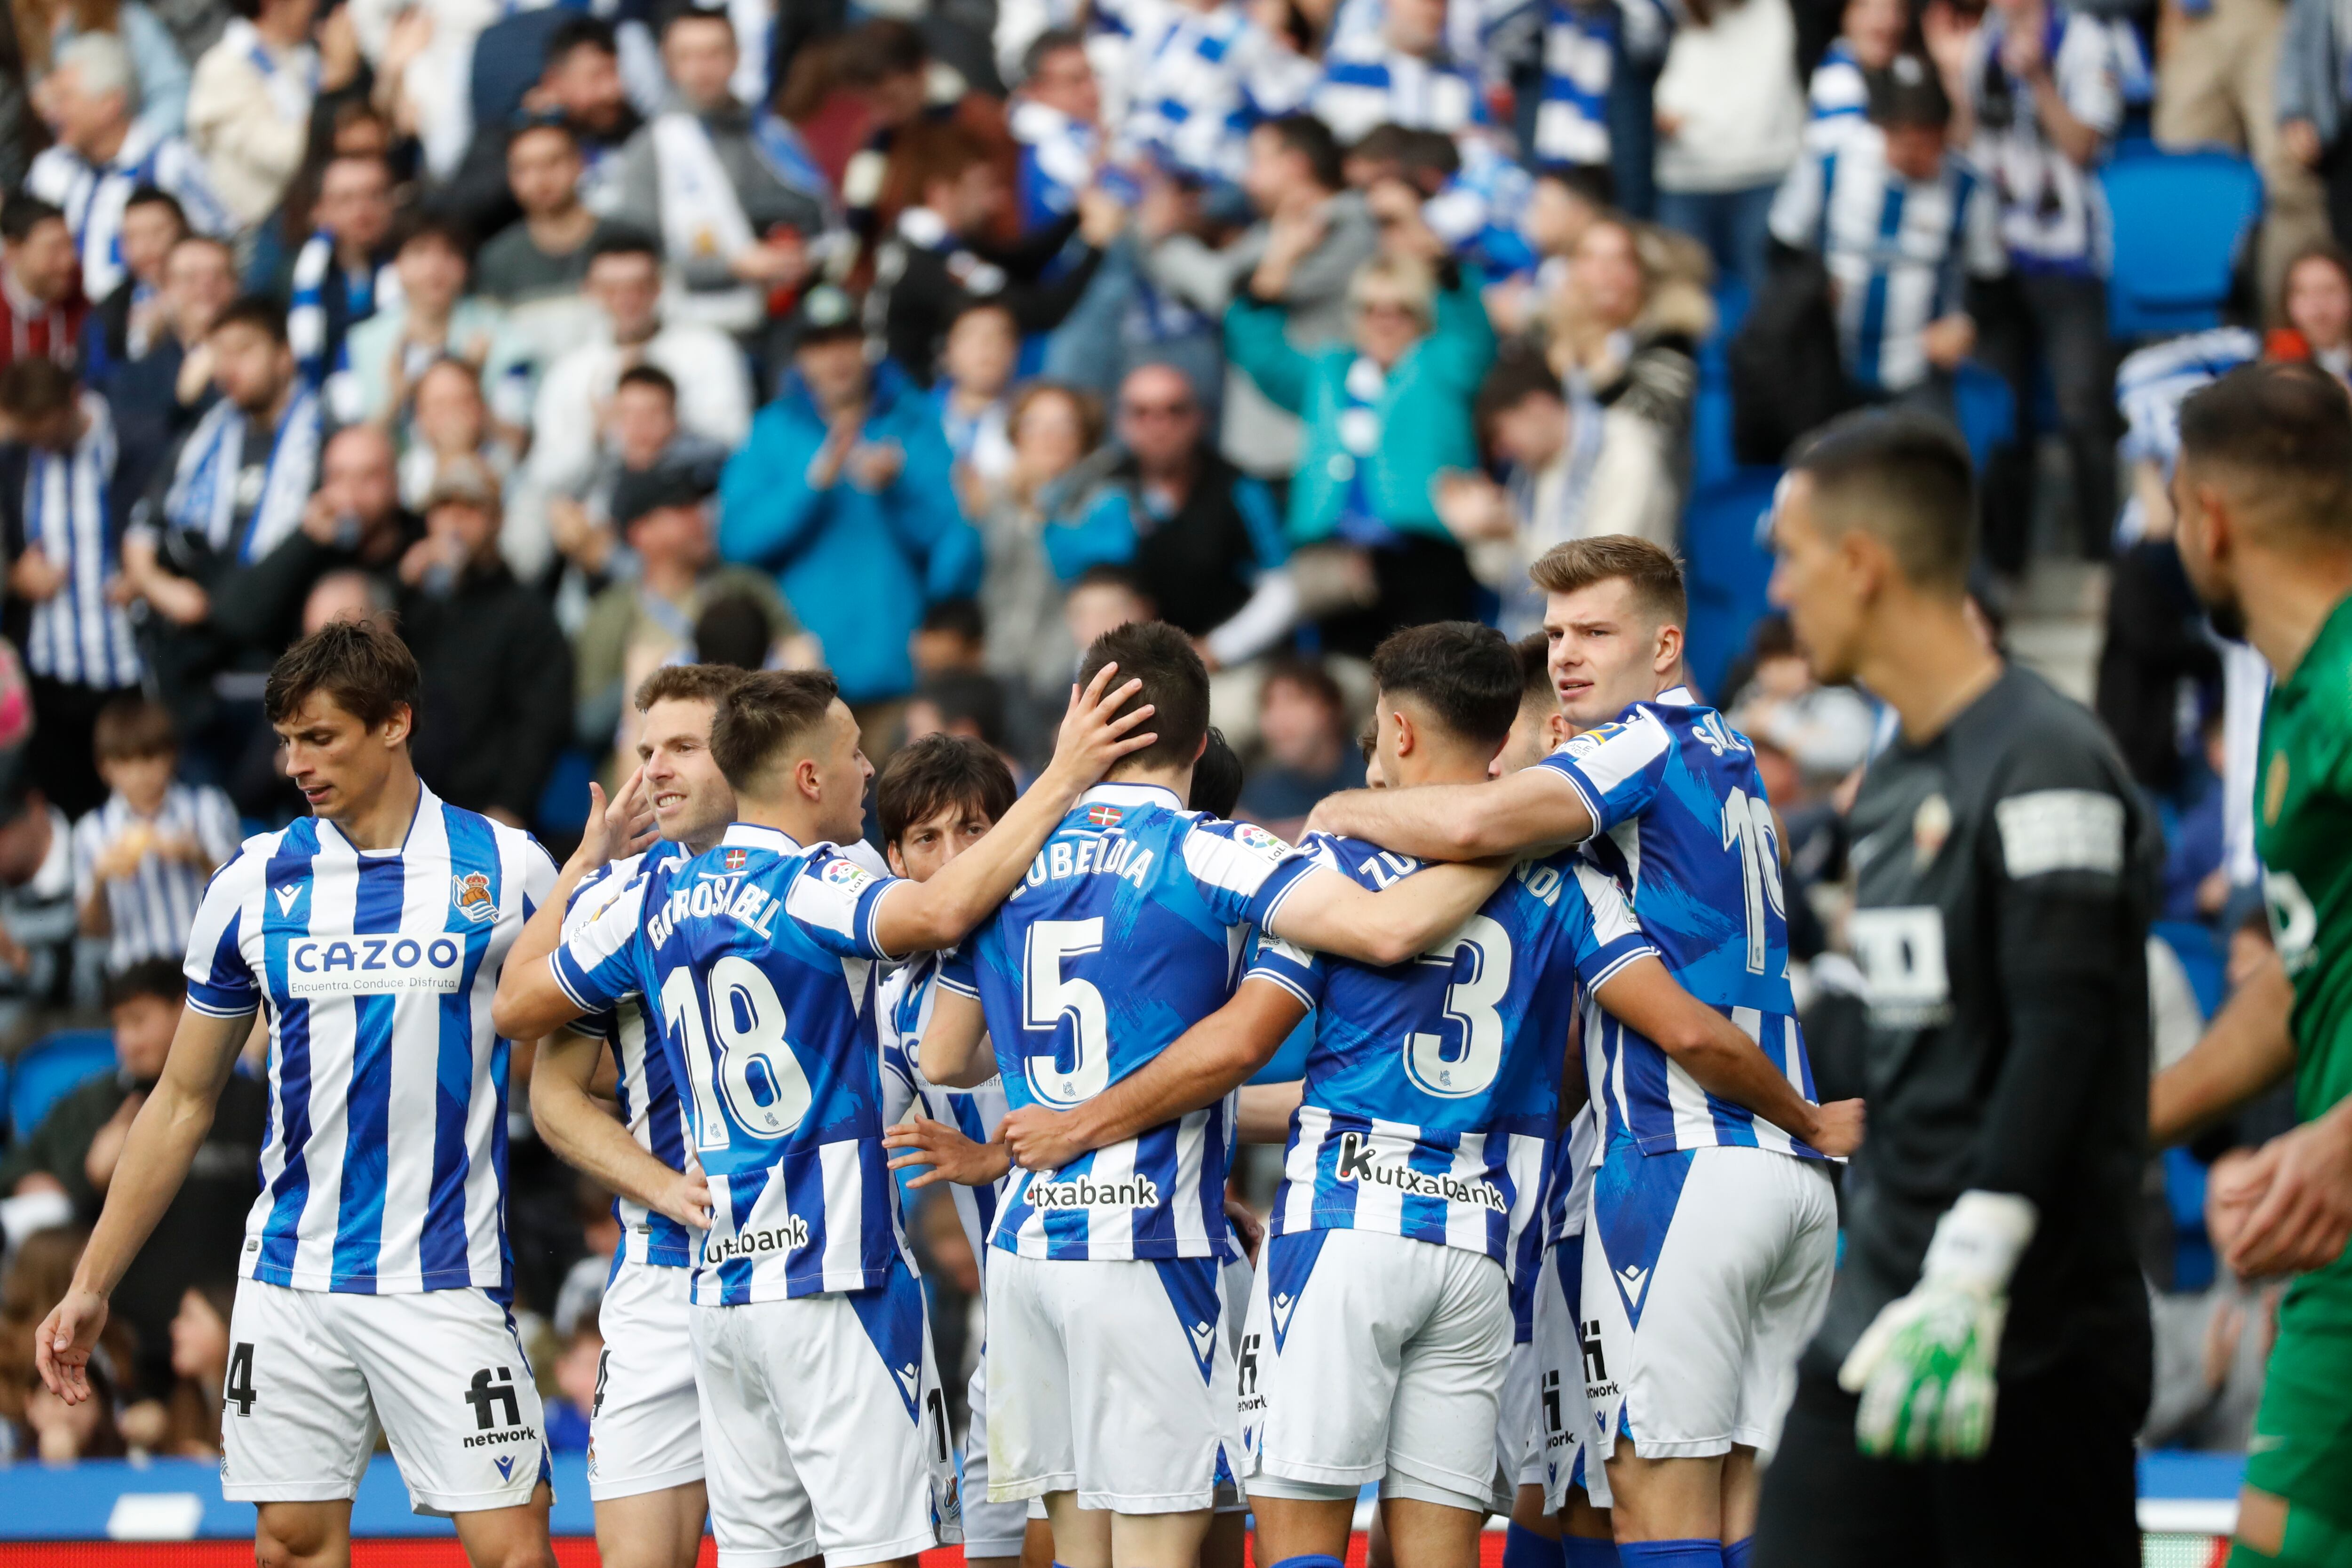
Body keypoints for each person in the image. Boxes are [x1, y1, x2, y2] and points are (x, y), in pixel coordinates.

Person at [489, 659, 1172, 1568]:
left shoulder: (650, 898)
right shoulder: (813, 881)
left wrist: (585, 869)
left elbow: (517, 1005)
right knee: (872, 1552)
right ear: (808, 776)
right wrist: (1063, 776)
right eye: (854, 755)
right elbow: (936, 912)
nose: (868, 773)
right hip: (833, 1278)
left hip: (724, 1288)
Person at [914, 621, 1526, 1568]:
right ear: (1201, 743)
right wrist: (1504, 839)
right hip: (1146, 1243)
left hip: (1027, 1250)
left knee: (1077, 1551)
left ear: (1092, 723)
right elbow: (1380, 929)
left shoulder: (1003, 862)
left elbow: (946, 1055)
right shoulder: (1212, 851)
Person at [1302, 537, 1840, 1562]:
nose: (1566, 657)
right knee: (1743, 1505)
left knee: (1643, 1493)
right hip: (1784, 1174)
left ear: (1666, 643)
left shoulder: (1637, 742)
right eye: (1554, 633)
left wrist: (1344, 808)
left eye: (1595, 631)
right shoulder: (1726, 750)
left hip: (1680, 1161)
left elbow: (1483, 819)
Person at [35, 619, 563, 1568]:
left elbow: (573, 1058)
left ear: (395, 722)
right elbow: (182, 1100)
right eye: (285, 739)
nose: (295, 762)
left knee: (513, 1543)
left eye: (319, 736)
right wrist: (89, 1283)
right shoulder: (252, 881)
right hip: (291, 1274)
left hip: (443, 1271)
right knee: (288, 1539)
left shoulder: (509, 869)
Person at [1750, 410, 2155, 1566]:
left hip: (2030, 1335)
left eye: (1791, 556)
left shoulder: (2046, 755)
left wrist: (1976, 1266)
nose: (1779, 590)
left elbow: (2061, 1027)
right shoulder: (1886, 793)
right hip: (1882, 1309)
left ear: (1862, 563)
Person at [2146, 362, 2352, 1568]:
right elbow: (2295, 972)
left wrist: (2336, 1138)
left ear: (2206, 517)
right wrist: (2136, 1119)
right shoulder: (2290, 690)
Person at [528, 664, 744, 1568]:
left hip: (801, 1271)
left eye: (683, 747)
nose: (655, 769)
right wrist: (661, 1184)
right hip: (658, 1277)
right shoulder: (614, 898)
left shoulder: (833, 870)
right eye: (645, 747)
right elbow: (550, 1091)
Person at [869, 733, 1028, 1568]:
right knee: (996, 1546)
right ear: (893, 859)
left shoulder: (1055, 944)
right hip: (1009, 1323)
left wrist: (997, 1158)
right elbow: (860, 1139)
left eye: (974, 831)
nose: (954, 856)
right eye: (927, 839)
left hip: (1133, 1278)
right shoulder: (896, 999)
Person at [0, 962, 262, 1401]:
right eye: (118, 1025)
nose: (126, 1040)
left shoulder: (256, 1102)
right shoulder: (92, 1105)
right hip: (124, 1344)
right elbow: (22, 1176)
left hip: (232, 1336)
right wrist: (87, 1179)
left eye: (139, 1020)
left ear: (186, 1008)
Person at [719, 285, 980, 724]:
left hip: (899, 676)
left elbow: (957, 542)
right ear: (800, 356)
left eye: (845, 339)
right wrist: (810, 488)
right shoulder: (772, 430)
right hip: (801, 688)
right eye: (820, 344)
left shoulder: (914, 421)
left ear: (864, 345)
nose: (835, 356)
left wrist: (900, 488)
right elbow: (737, 543)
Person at [1225, 251, 1495, 655]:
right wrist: (1272, 276)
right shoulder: (1330, 370)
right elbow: (1261, 355)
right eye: (1371, 309)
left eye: (1400, 310)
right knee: (1346, 681)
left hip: (1424, 557)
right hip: (1337, 561)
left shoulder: (1441, 364)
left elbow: (1473, 333)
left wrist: (1441, 262)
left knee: (1432, 679)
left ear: (1421, 314)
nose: (1384, 321)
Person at [1932, 0, 2125, 567]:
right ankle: (2006, 568)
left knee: (2081, 411)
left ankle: (2100, 562)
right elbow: (1961, 143)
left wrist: (2039, 78)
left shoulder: (2087, 41)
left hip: (2069, 258)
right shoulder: (1981, 39)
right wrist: (1952, 79)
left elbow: (2083, 145)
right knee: (2000, 417)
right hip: (1994, 257)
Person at [1764, 60, 2004, 411]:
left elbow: (1992, 279)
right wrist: (1813, 286)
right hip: (1832, 360)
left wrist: (1966, 323)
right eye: (1907, 138)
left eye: (1929, 139)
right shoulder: (1831, 164)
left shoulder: (1968, 188)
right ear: (1883, 129)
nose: (1918, 153)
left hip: (1920, 368)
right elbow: (1782, 245)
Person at [526, 231, 752, 564]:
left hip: (694, 522)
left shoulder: (709, 350)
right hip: (602, 534)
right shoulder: (569, 371)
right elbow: (546, 476)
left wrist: (659, 423)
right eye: (611, 289)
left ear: (659, 286)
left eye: (638, 287)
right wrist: (597, 436)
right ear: (590, 291)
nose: (626, 300)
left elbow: (736, 443)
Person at [1064, 362, 1298, 674]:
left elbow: (1280, 589)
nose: (1159, 425)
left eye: (1174, 410)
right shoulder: (1103, 491)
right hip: (1134, 668)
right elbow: (1090, 597)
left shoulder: (1239, 488)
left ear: (1198, 417)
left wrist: (1219, 649)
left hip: (1228, 667)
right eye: (1142, 412)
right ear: (1122, 422)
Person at [612, 6, 826, 338]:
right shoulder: (648, 149)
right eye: (688, 56)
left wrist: (799, 256)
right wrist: (731, 264)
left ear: (737, 56)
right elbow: (634, 256)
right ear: (669, 64)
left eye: (714, 54)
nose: (703, 69)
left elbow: (820, 217)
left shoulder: (773, 135)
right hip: (691, 325)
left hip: (788, 314)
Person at [1441, 346, 1677, 639]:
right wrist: (1484, 533)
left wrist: (1513, 533)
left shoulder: (1625, 452)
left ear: (1537, 407)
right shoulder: (1530, 471)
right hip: (1541, 645)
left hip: (1617, 639)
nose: (1501, 450)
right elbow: (1508, 579)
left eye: (1501, 433)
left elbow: (1601, 571)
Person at [572, 462, 800, 765]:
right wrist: (654, 681)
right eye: (682, 509)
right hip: (647, 784)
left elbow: (800, 661)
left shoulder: (745, 588)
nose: (700, 518)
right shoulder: (611, 612)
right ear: (641, 532)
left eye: (699, 506)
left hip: (748, 765)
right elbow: (587, 723)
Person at [869, 121, 1120, 387]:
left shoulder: (915, 239)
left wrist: (1080, 210)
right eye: (980, 188)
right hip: (912, 410)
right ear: (941, 193)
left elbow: (1021, 262)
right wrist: (1097, 243)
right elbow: (1042, 312)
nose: (995, 202)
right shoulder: (930, 262)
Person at [0, 357, 144, 819]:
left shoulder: (133, 439)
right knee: (72, 815)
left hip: (126, 674)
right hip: (51, 675)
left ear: (73, 404)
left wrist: (147, 573)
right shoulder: (17, 459)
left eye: (48, 432)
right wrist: (14, 577)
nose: (40, 444)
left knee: (134, 816)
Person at [396, 461, 573, 827]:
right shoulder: (412, 604)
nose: (454, 523)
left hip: (485, 815)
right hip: (406, 807)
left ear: (497, 519)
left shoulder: (528, 614)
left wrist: (511, 805)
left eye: (470, 510)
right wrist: (400, 586)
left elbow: (539, 724)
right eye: (443, 509)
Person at [25, 32, 231, 307]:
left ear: (109, 104)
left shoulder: (170, 162)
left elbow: (221, 244)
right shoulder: (50, 170)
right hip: (68, 328)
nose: (52, 113)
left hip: (150, 329)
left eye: (66, 99)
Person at [977, 382, 1132, 715]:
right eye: (1035, 424)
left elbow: (1096, 566)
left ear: (1084, 435)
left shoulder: (1107, 499)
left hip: (1073, 672)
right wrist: (969, 516)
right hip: (999, 663)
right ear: (1016, 435)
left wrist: (1042, 509)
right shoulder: (997, 500)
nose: (1049, 436)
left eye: (1064, 425)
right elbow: (957, 574)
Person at [70, 696, 239, 974]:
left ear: (172, 755)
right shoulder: (91, 831)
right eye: (125, 761)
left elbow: (241, 897)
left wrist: (197, 856)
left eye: (149, 758)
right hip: (134, 977)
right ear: (105, 768)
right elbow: (93, 933)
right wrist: (99, 879)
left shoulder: (208, 808)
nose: (139, 773)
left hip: (207, 968)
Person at [441, 15, 642, 243]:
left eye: (615, 73)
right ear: (554, 83)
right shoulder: (507, 132)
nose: (612, 91)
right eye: (596, 78)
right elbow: (460, 209)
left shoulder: (632, 130)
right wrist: (529, 130)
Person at [1650, 0, 1804, 297]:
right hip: (1684, 179)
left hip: (1765, 174)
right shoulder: (1663, 13)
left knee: (1764, 299)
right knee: (1684, 299)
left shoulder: (1781, 10)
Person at [331, 215, 519, 431]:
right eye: (420, 252)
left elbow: (519, 442)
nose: (434, 267)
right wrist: (396, 402)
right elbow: (346, 445)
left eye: (450, 253)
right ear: (396, 265)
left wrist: (469, 387)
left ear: (466, 266)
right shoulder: (358, 344)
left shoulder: (501, 334)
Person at [473, 117, 630, 369]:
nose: (541, 178)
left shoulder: (626, 239)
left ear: (580, 163)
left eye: (553, 163)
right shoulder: (498, 260)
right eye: (525, 168)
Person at [185, 0, 322, 230]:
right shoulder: (224, 68)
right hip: (266, 230)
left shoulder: (307, 56)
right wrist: (337, 85)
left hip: (316, 213)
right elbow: (285, 156)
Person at [1235, 658, 1362, 838]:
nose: (1278, 720)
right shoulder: (1257, 797)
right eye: (1268, 705)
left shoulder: (1374, 775)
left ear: (1329, 709)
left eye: (1293, 701)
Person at [84, 184, 184, 376]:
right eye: (133, 237)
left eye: (157, 232)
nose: (145, 247)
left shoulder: (214, 291)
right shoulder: (108, 313)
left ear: (183, 229)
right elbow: (98, 381)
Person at [0, 195, 87, 370]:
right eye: (54, 249)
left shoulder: (77, 297)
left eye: (70, 245)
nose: (68, 261)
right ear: (13, 250)